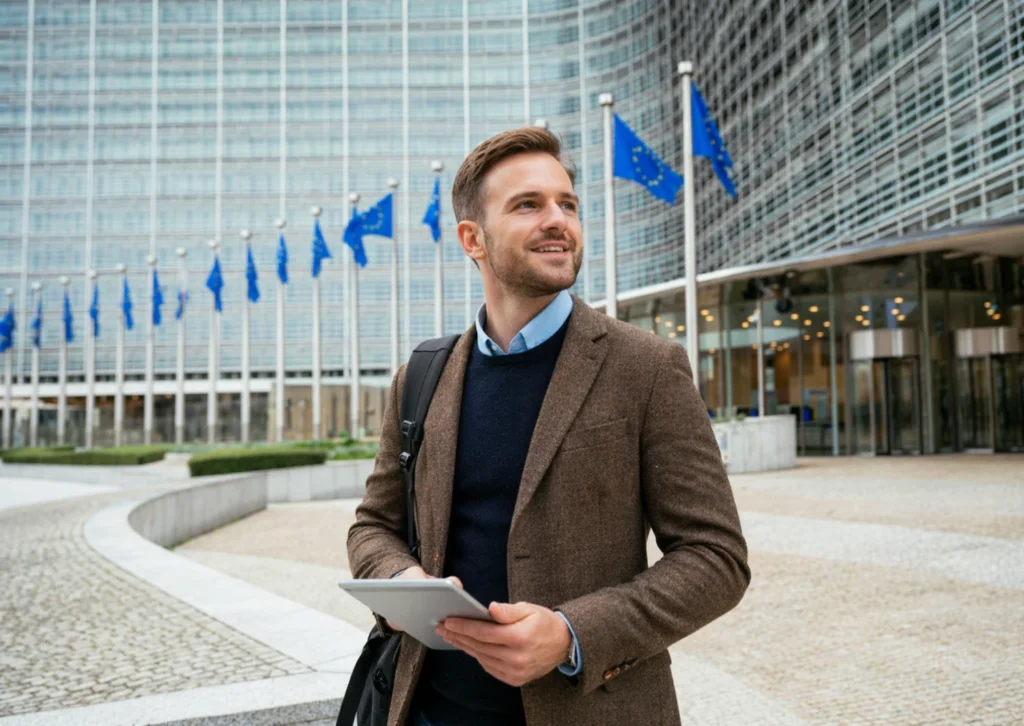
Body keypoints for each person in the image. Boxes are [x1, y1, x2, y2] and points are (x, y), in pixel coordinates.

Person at [347, 127, 750, 726]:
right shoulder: (421, 378)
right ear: (471, 239)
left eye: (567, 204)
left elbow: (716, 558)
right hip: (429, 712)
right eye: (527, 205)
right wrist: (403, 582)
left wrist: (569, 635)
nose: (557, 219)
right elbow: (372, 528)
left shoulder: (646, 366)